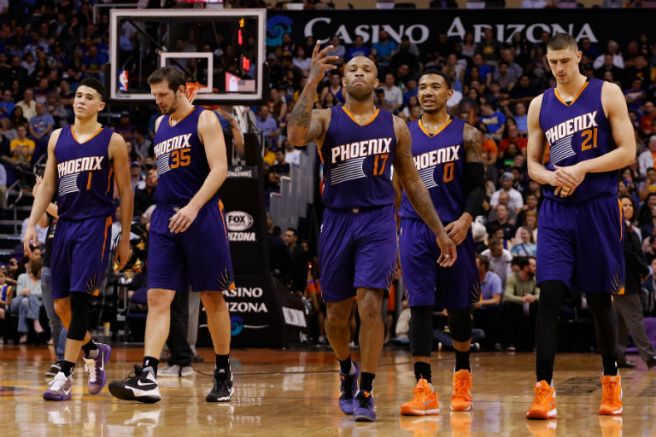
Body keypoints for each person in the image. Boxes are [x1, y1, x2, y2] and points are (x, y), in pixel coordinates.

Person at [287, 44, 456, 422]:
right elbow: (296, 135)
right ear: (343, 79)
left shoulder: (395, 126)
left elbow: (412, 182)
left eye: (366, 69)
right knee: (336, 316)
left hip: (378, 221)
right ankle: (345, 368)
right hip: (336, 219)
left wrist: (439, 231)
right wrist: (312, 79)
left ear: (377, 81)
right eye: (352, 69)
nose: (359, 73)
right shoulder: (326, 119)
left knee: (370, 303)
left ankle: (366, 387)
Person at [109, 66, 235, 404]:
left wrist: (192, 207)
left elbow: (220, 169)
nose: (158, 101)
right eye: (154, 96)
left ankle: (223, 371)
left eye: (163, 94)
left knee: (212, 297)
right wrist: (158, 177)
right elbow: (172, 163)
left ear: (181, 90)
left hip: (200, 213)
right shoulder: (159, 124)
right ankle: (148, 374)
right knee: (157, 298)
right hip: (165, 216)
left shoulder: (205, 120)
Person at [526, 34, 635, 419]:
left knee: (600, 298)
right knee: (550, 294)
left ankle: (611, 381)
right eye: (552, 62)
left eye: (565, 61)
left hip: (598, 206)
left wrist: (582, 167)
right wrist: (553, 177)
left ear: (579, 57)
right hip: (557, 209)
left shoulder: (607, 93)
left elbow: (627, 150)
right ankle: (543, 389)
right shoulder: (540, 104)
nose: (559, 68)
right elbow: (532, 165)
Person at [24, 77, 133, 401]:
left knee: (80, 298)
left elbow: (125, 192)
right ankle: (92, 351)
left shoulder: (112, 141)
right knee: (60, 305)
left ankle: (65, 374)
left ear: (100, 105)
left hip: (95, 224)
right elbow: (47, 187)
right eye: (78, 95)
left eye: (88, 97)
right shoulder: (57, 138)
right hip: (64, 225)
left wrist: (124, 237)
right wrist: (32, 224)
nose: (81, 100)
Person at [394, 70, 485, 416]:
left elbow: (477, 187)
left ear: (450, 93)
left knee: (460, 310)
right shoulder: (402, 134)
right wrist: (394, 233)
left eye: (435, 87)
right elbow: (397, 189)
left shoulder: (468, 134)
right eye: (421, 87)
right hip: (415, 229)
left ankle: (462, 374)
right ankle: (424, 387)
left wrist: (466, 219)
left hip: (453, 230)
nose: (427, 92)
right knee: (418, 306)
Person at [615, 195, 656, 369]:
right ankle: (650, 356)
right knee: (636, 318)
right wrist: (645, 269)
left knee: (621, 324)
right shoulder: (619, 228)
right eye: (623, 206)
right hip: (624, 282)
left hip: (626, 281)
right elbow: (627, 254)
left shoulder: (631, 228)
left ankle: (617, 358)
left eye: (630, 205)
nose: (627, 208)